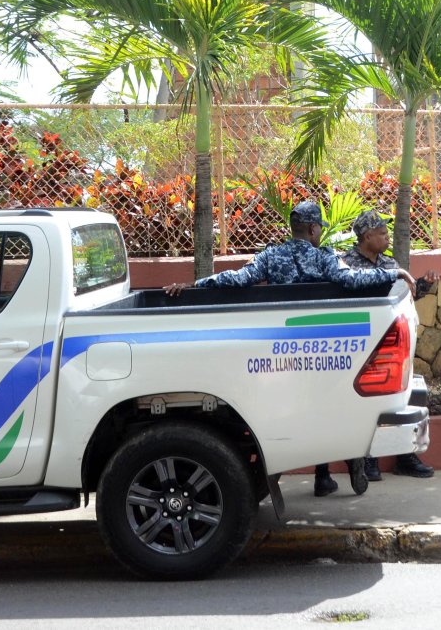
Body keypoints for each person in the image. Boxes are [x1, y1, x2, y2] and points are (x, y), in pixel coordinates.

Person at [164, 200, 416, 497]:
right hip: (323, 347)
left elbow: (237, 279)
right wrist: (395, 274)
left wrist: (194, 285)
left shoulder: (271, 256)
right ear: (312, 228)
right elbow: (349, 279)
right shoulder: (324, 256)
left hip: (283, 350)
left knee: (301, 408)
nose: (320, 233)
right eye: (319, 228)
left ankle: (322, 477)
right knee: (332, 407)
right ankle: (352, 461)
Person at [341, 210, 441, 481]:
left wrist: (424, 283)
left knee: (401, 399)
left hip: (394, 342)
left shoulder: (389, 262)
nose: (387, 237)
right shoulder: (345, 264)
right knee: (366, 403)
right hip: (363, 344)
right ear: (367, 236)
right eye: (382, 233)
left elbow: (406, 294)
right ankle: (368, 460)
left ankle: (405, 456)